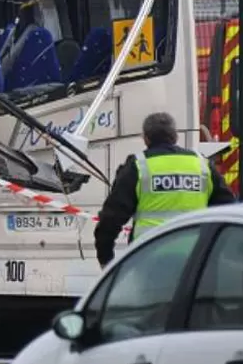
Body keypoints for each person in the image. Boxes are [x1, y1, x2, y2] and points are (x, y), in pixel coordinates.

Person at [94, 112, 234, 267]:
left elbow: (111, 219)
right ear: (175, 136)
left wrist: (106, 259)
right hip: (196, 258)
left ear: (146, 138)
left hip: (148, 258)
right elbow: (227, 209)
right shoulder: (202, 165)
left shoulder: (138, 166)